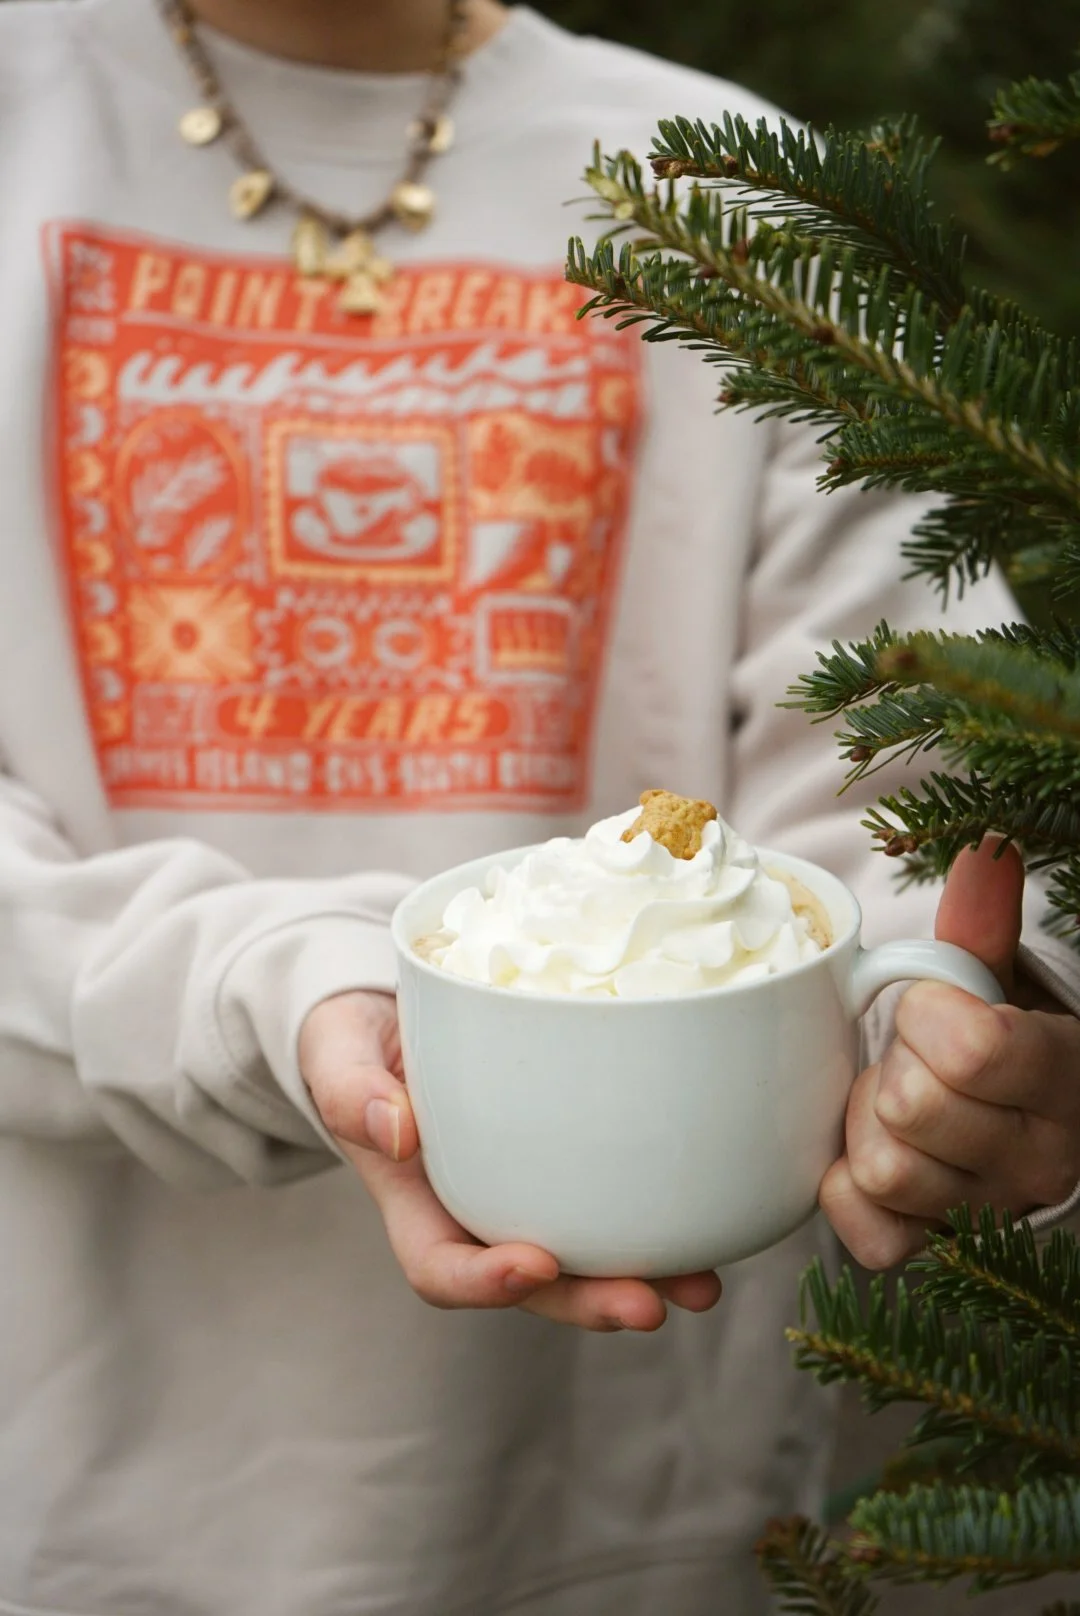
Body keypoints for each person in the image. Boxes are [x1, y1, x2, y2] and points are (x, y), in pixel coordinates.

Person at [1, 1, 1079, 1611]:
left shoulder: (726, 200)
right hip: (78, 1500)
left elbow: (910, 782)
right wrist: (272, 989)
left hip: (636, 1511)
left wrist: (957, 1037)